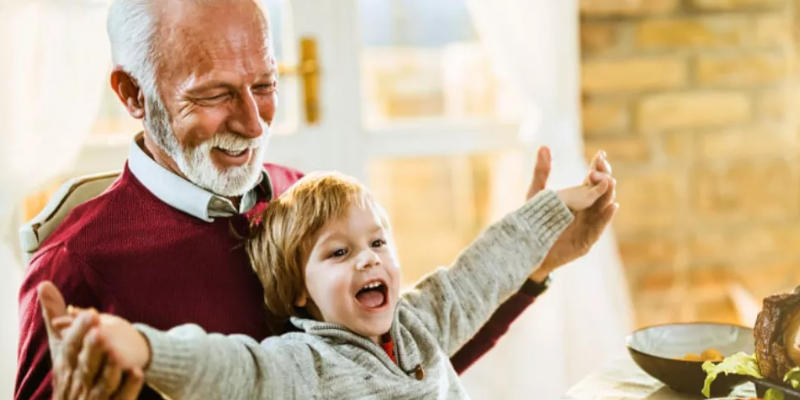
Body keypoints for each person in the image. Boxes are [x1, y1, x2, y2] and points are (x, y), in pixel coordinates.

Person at [15, 0, 618, 399]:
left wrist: (535, 266)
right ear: (132, 94)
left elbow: (389, 364)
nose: (253, 125)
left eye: (266, 85)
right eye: (215, 95)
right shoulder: (77, 267)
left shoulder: (297, 193)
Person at [38, 170, 610, 399]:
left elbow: (480, 272)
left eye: (378, 243)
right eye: (339, 253)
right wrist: (143, 346)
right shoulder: (303, 365)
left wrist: (554, 208)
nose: (368, 260)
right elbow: (232, 369)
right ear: (297, 293)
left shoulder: (419, 322)